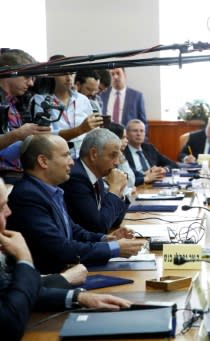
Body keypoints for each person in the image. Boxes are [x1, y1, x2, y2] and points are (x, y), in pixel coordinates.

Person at [0, 177, 131, 340]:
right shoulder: (29, 194)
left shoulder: (53, 191)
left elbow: (16, 290)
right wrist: (25, 260)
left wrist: (79, 297)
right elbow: (9, 323)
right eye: (1, 207)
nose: (8, 212)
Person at [7, 134, 146, 274]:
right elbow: (60, 248)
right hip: (47, 280)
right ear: (43, 161)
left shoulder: (52, 190)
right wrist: (114, 248)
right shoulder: (27, 196)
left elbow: (72, 230)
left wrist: (106, 239)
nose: (72, 162)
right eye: (66, 155)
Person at [59, 129, 130, 234]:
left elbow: (115, 220)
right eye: (113, 155)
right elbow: (98, 228)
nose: (117, 162)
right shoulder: (75, 178)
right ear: (93, 154)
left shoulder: (97, 174)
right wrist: (114, 190)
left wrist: (119, 190)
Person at [33, 55, 104, 158]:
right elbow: (46, 137)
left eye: (71, 73)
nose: (69, 78)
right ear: (50, 74)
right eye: (64, 73)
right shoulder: (41, 100)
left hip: (85, 159)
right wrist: (80, 129)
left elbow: (94, 132)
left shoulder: (82, 99)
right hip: (56, 158)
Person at [0, 49, 51, 183]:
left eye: (33, 78)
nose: (31, 83)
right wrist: (18, 134)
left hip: (16, 175)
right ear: (7, 71)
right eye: (27, 77)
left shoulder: (14, 103)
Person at [124, 119, 178, 185]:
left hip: (154, 184)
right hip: (137, 186)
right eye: (135, 131)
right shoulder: (123, 151)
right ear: (127, 134)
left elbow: (174, 164)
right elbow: (127, 175)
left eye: (142, 131)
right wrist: (146, 174)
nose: (139, 134)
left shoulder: (149, 148)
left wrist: (164, 169)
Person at [104, 122, 136, 194]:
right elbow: (108, 189)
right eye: (123, 137)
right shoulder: (105, 160)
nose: (127, 141)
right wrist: (129, 191)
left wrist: (121, 158)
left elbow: (131, 182)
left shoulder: (121, 155)